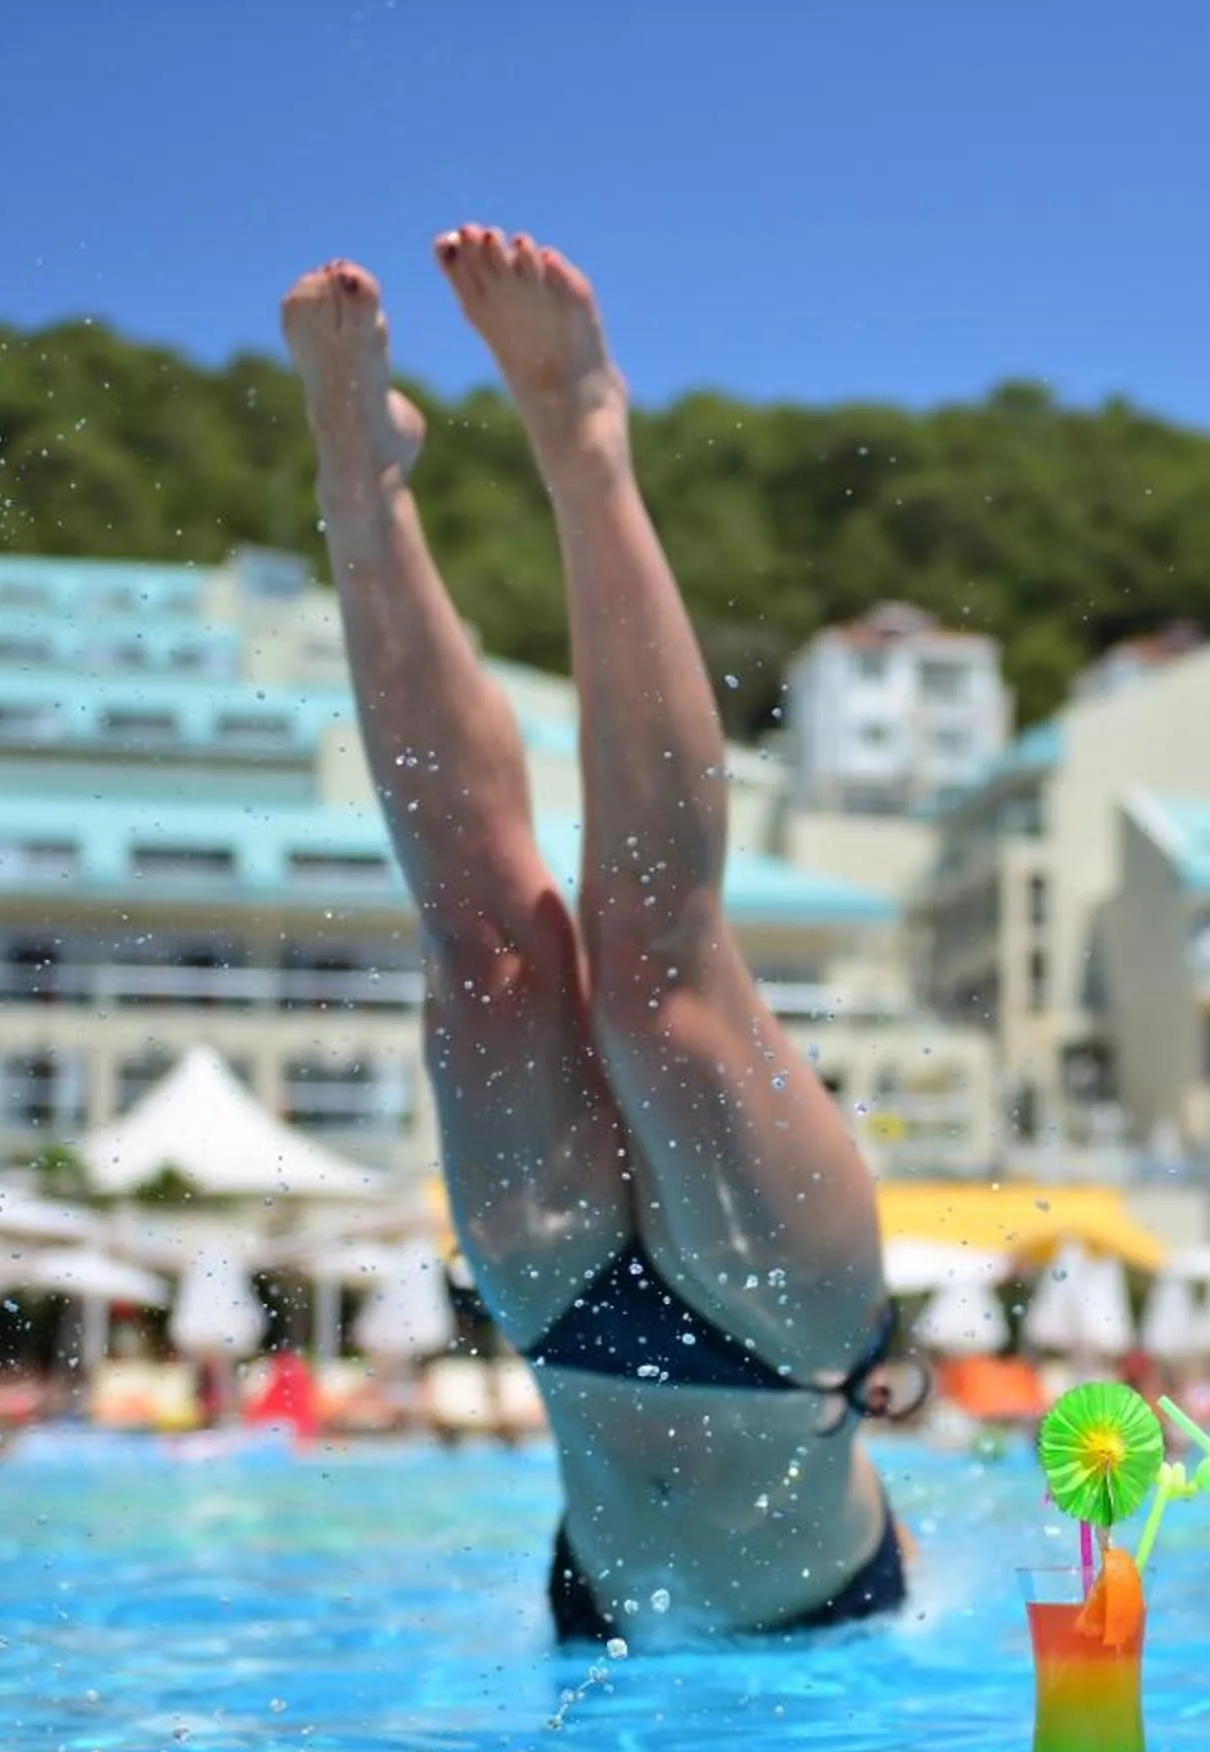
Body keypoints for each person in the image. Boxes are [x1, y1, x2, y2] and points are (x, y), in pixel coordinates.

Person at [282, 230, 920, 1647]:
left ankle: (360, 486)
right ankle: (583, 438)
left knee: (487, 953)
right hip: (779, 1337)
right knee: (656, 974)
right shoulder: (898, 1584)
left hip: (576, 1317)